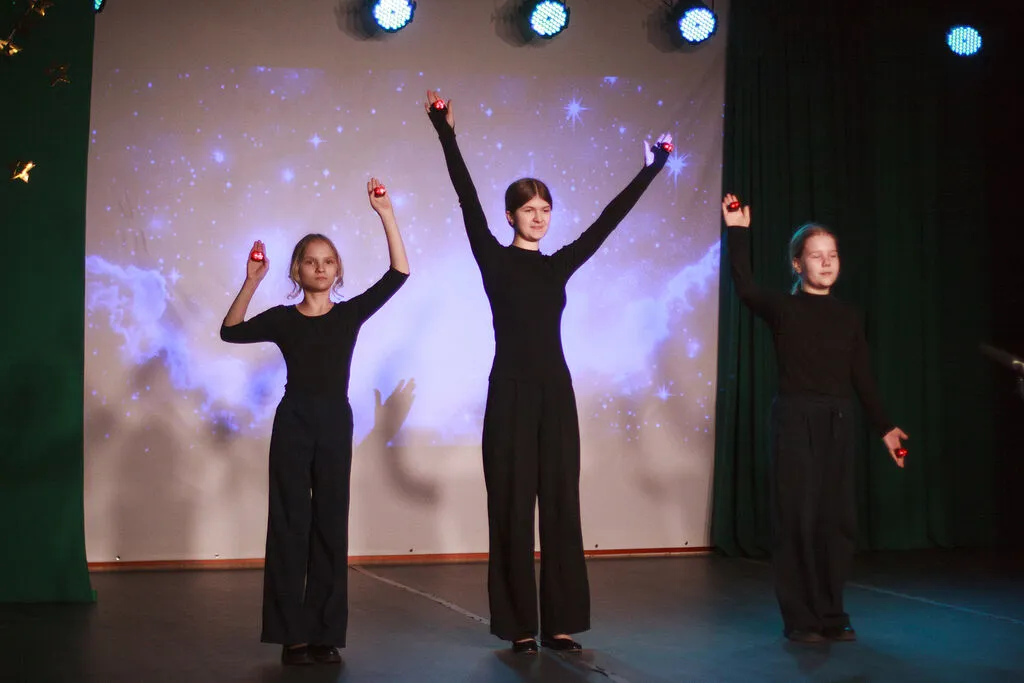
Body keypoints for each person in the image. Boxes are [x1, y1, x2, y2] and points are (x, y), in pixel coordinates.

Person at [425, 89, 671, 654]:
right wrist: (445, 131)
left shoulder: (558, 265)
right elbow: (465, 196)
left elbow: (608, 221)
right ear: (510, 215)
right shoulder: (493, 256)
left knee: (561, 506)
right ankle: (518, 625)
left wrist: (651, 168)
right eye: (528, 209)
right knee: (511, 509)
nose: (538, 218)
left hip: (555, 395)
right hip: (510, 395)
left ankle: (560, 621)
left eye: (545, 210)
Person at [220, 178, 410, 665]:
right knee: (290, 524)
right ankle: (293, 636)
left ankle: (324, 633)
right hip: (294, 422)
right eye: (311, 261)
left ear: (338, 269)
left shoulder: (348, 315)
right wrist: (252, 280)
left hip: (334, 423)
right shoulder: (284, 319)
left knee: (330, 524)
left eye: (328, 261)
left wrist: (386, 214)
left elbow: (398, 273)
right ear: (297, 270)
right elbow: (230, 331)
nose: (320, 267)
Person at [721, 193, 909, 644]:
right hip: (795, 420)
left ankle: (831, 612)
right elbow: (745, 289)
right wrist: (738, 232)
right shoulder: (784, 309)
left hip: (839, 422)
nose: (826, 263)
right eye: (815, 255)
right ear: (796, 264)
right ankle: (801, 618)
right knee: (797, 520)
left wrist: (885, 427)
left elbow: (861, 376)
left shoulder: (850, 316)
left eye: (832, 255)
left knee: (836, 522)